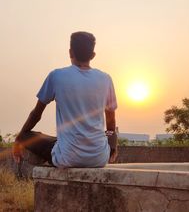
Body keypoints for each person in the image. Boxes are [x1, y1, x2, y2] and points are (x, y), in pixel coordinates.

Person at [13, 31, 118, 167]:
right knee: (61, 140)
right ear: (92, 55)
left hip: (67, 158)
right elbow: (111, 122)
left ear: (70, 52)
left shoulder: (57, 76)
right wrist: (113, 147)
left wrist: (19, 139)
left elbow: (36, 114)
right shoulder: (106, 79)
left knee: (27, 136)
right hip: (99, 158)